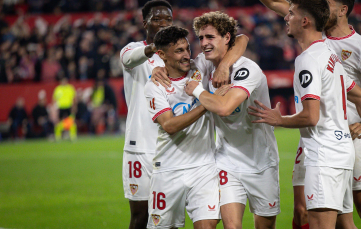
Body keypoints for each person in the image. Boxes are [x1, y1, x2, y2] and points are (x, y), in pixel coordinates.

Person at [248, 0, 361, 228]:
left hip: (324, 153)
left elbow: (311, 117)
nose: (285, 17)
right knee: (344, 222)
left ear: (304, 21)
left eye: (290, 14)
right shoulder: (330, 54)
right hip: (341, 149)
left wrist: (279, 119)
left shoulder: (309, 59)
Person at [119, 1, 248, 228]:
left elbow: (242, 39)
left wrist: (224, 66)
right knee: (141, 215)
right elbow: (130, 59)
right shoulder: (134, 51)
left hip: (181, 153)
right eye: (157, 19)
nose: (163, 23)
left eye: (167, 19)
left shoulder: (189, 63)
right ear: (145, 22)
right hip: (140, 145)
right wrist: (155, 52)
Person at [184, 11, 280, 229]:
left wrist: (197, 90)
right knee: (232, 226)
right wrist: (161, 68)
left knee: (264, 226)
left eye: (210, 37)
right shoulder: (204, 64)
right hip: (227, 160)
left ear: (227, 38)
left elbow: (226, 108)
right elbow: (179, 64)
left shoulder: (248, 69)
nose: (204, 43)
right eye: (200, 38)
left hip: (261, 161)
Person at [144, 25, 234, 229]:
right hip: (168, 170)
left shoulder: (199, 67)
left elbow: (243, 39)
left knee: (207, 225)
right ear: (161, 55)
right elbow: (169, 125)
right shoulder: (155, 86)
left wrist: (224, 65)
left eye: (187, 49)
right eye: (178, 51)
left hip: (203, 167)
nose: (187, 55)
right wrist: (209, 103)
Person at [52, 76, 77, 141]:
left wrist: (74, 107)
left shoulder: (70, 88)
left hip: (68, 107)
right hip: (60, 107)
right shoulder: (58, 89)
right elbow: (54, 99)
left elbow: (74, 98)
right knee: (59, 122)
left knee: (71, 122)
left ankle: (72, 136)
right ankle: (58, 137)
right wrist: (54, 109)